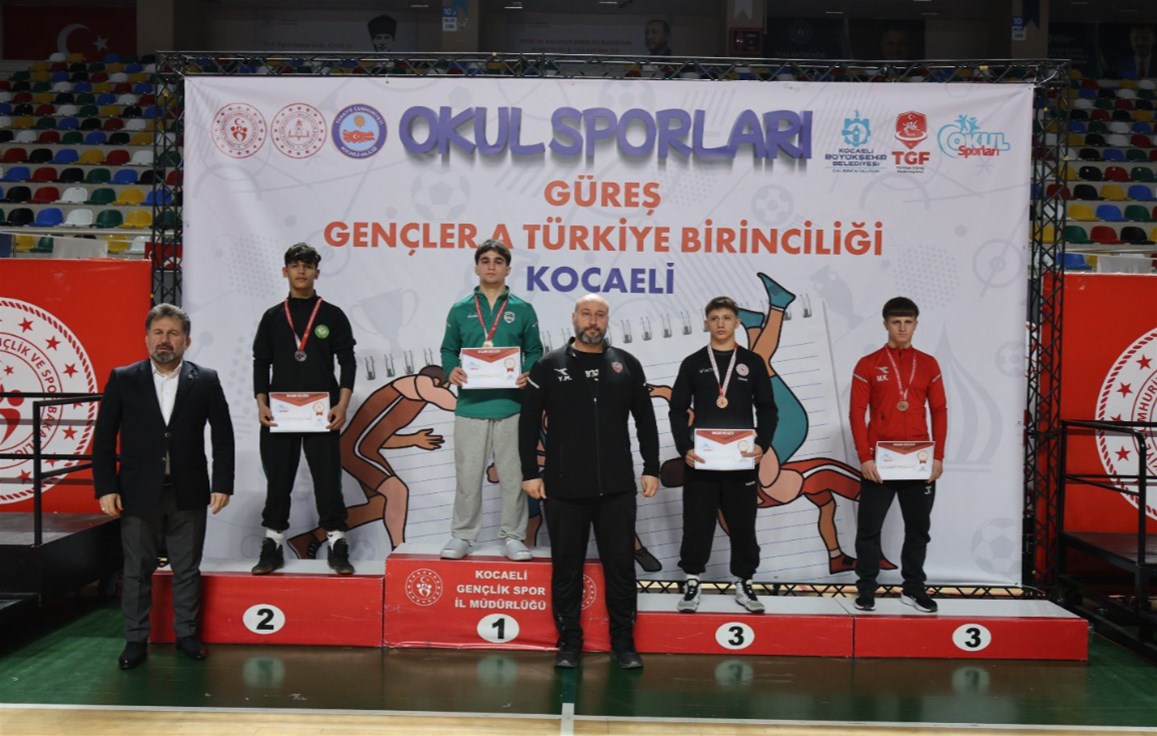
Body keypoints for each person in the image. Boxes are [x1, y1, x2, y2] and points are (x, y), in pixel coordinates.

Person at [520, 294, 660, 670]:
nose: (593, 321)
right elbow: (528, 423)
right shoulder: (548, 366)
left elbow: (646, 419)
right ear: (574, 318)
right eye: (586, 314)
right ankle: (569, 643)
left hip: (616, 488)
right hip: (564, 488)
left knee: (621, 568)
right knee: (567, 568)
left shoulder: (626, 364)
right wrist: (530, 473)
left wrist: (652, 467)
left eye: (600, 315)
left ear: (607, 320)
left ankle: (623, 643)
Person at [93, 304, 234, 669]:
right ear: (146, 339)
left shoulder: (206, 379)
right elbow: (104, 438)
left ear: (187, 340)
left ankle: (186, 635)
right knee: (136, 570)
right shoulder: (123, 378)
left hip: (189, 490)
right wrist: (106, 486)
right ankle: (135, 639)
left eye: (173, 333)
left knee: (187, 569)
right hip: (137, 492)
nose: (165, 340)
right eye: (158, 333)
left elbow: (223, 437)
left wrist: (223, 483)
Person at [252, 243, 357, 576]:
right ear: (285, 271)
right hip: (280, 413)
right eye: (295, 265)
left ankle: (337, 542)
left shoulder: (332, 315)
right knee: (278, 480)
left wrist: (342, 404)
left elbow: (348, 361)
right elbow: (261, 363)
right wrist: (261, 403)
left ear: (317, 272)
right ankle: (273, 544)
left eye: (307, 266)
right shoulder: (272, 317)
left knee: (327, 479)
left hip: (321, 413)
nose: (301, 271)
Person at [669, 297, 777, 614]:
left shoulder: (752, 362)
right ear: (706, 323)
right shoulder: (693, 362)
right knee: (697, 523)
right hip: (702, 461)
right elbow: (677, 410)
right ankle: (692, 580)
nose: (720, 323)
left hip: (741, 462)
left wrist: (763, 444)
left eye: (727, 317)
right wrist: (684, 448)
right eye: (714, 318)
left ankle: (744, 581)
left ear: (737, 322)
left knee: (743, 524)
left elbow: (768, 409)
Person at [439, 240, 543, 561]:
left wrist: (528, 371)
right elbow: (448, 349)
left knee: (513, 476)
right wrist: (451, 370)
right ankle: (462, 535)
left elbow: (535, 350)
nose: (491, 266)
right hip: (470, 405)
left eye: (498, 261)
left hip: (511, 406)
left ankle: (513, 536)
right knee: (468, 475)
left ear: (508, 269)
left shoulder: (522, 309)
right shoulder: (460, 309)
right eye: (485, 260)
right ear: (476, 268)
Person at [288, 366, 458, 557]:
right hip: (355, 450)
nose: (447, 391)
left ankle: (309, 539)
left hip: (362, 449)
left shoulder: (413, 397)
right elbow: (444, 399)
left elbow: (378, 436)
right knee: (397, 491)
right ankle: (399, 551)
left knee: (381, 506)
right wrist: (473, 405)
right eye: (447, 387)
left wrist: (412, 439)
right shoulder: (417, 383)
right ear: (437, 382)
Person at [849, 297, 947, 613]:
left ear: (916, 324)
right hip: (880, 462)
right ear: (885, 324)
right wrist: (864, 458)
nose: (902, 328)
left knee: (918, 529)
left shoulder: (929, 364)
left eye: (908, 322)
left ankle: (914, 589)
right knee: (869, 529)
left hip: (919, 461)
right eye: (896, 322)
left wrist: (938, 456)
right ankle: (866, 590)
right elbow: (856, 413)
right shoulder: (868, 364)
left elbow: (940, 410)